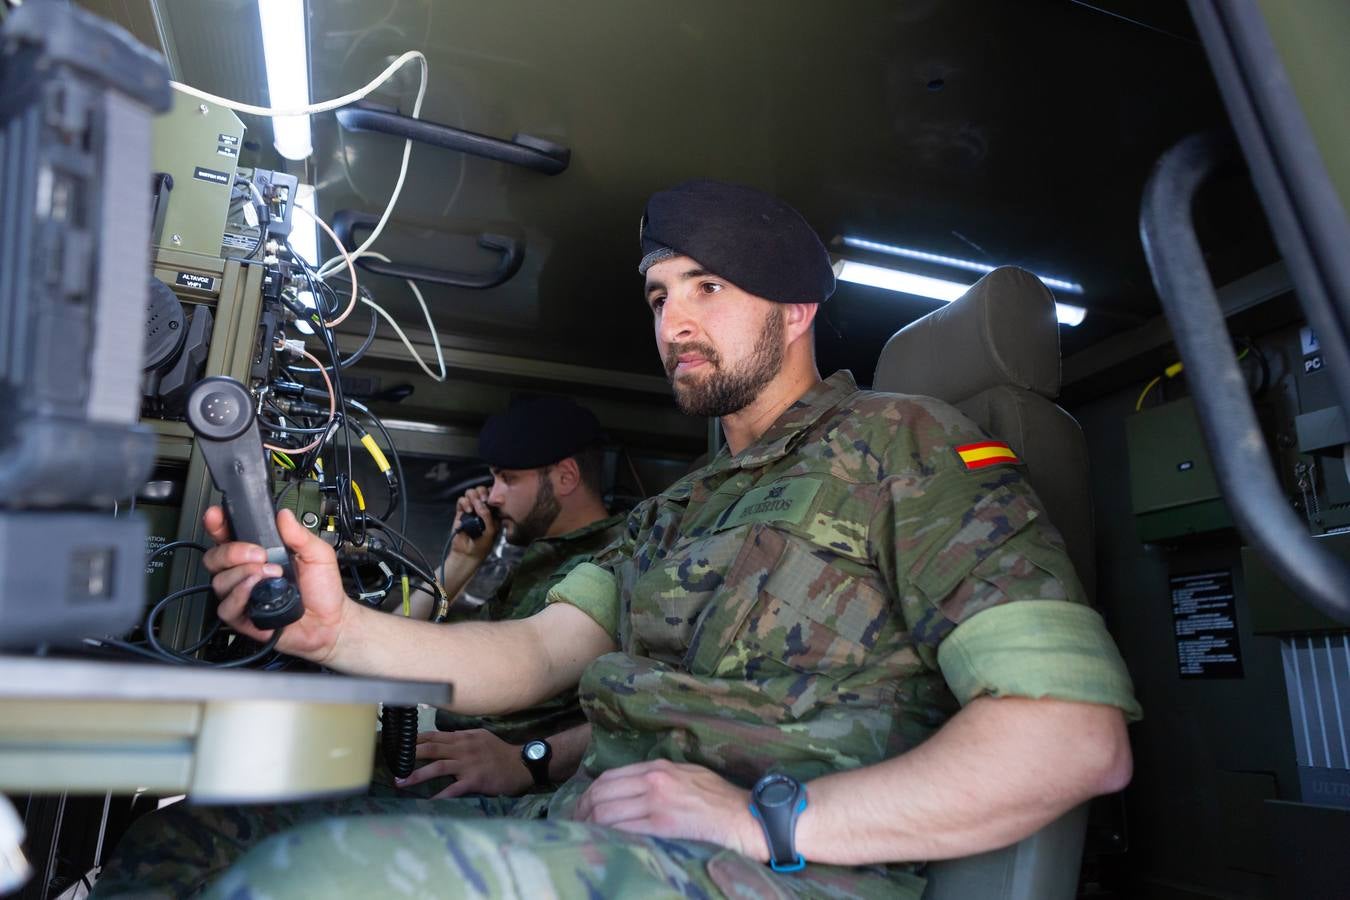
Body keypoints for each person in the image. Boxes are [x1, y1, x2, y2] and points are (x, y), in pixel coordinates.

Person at [95, 180, 1140, 899]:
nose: (675, 320)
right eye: (659, 294)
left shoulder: (906, 447)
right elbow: (536, 655)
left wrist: (768, 821)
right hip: (598, 826)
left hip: (782, 866)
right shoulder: (680, 507)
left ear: (799, 307)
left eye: (710, 287)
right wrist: (334, 631)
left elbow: (1072, 740)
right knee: (193, 836)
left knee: (309, 885)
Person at [396, 396, 625, 798]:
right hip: (459, 751)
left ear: (566, 477)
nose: (494, 496)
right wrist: (461, 562)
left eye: (509, 479)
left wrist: (526, 759)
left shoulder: (621, 555)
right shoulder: (532, 561)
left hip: (524, 787)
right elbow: (404, 643)